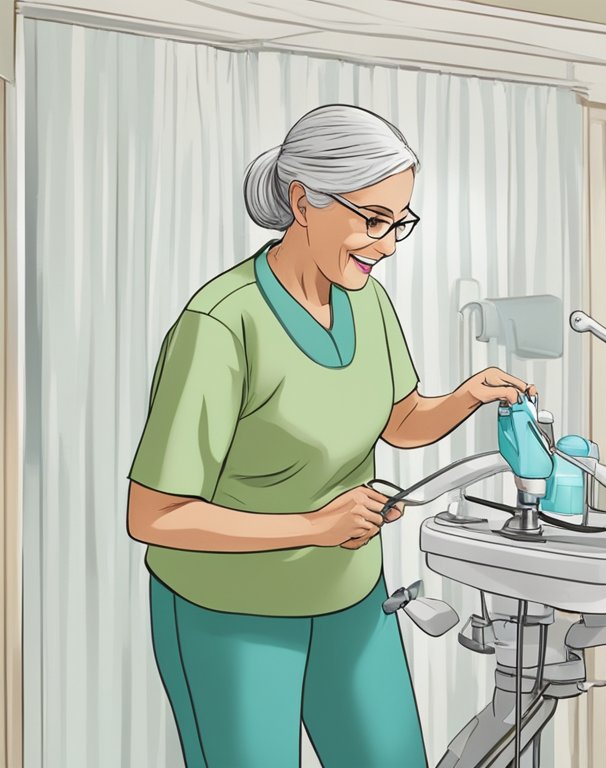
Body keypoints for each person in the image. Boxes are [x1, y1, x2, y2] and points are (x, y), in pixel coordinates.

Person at [125, 104, 536, 768]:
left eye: (400, 221)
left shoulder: (365, 299)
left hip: (349, 600)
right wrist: (313, 525)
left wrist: (466, 397)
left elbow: (398, 421)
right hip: (231, 616)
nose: (389, 244)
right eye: (373, 220)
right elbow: (155, 514)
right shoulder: (221, 325)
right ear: (302, 202)